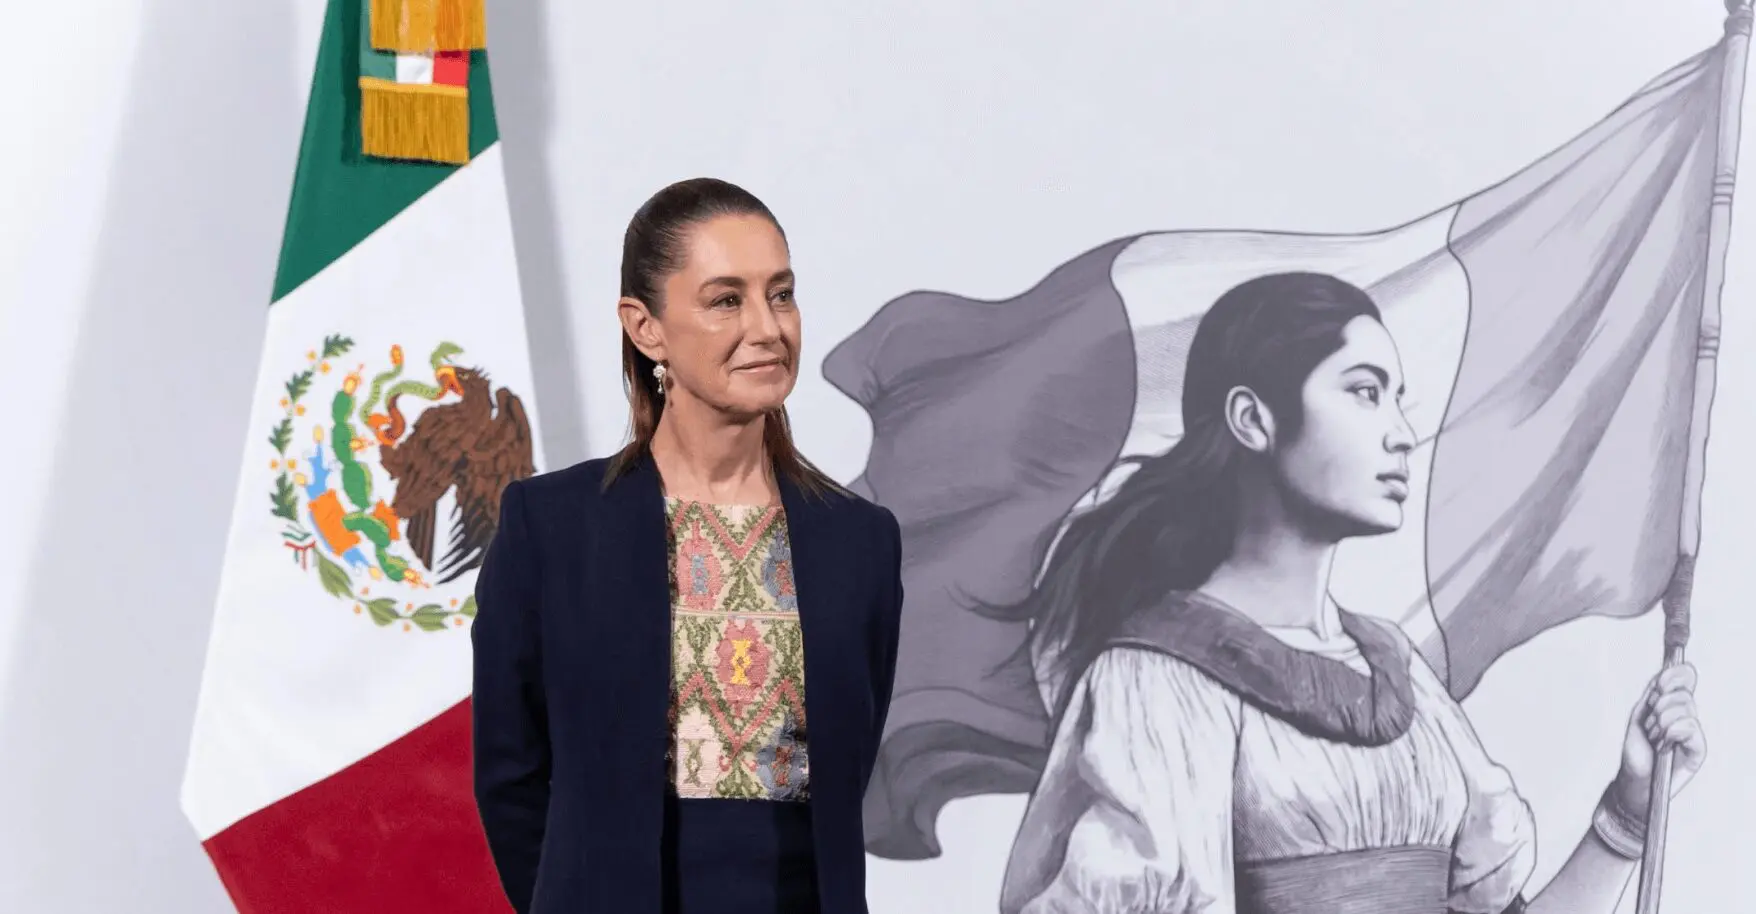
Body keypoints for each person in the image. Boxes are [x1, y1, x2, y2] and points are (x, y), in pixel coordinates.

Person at [991, 273, 1707, 914]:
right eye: (1364, 392)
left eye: (1399, 399)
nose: (1401, 433)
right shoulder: (1156, 682)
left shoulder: (1398, 674)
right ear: (1252, 419)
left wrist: (1628, 813)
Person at [470, 177, 905, 914]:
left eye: (782, 294)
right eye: (726, 299)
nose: (768, 328)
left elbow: (847, 768)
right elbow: (511, 780)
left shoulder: (859, 541)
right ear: (646, 329)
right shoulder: (551, 526)